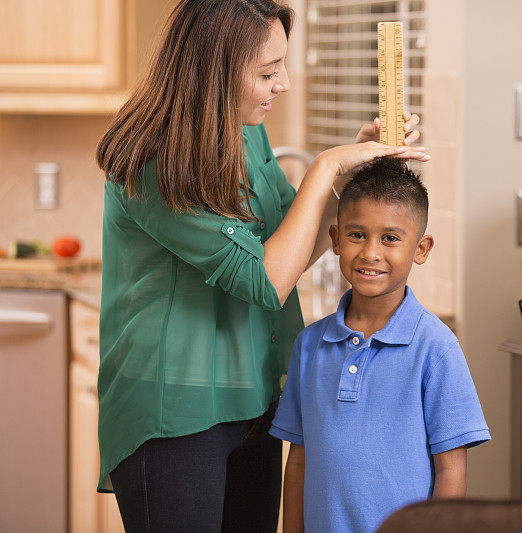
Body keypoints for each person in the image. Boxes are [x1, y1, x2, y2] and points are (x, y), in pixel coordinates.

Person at [94, 1, 429, 531]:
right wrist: (324, 167)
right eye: (268, 72)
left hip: (253, 396)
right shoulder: (154, 154)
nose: (285, 84)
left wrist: (351, 173)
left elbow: (289, 249)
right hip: (175, 409)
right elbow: (265, 280)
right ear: (216, 72)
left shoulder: (245, 128)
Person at [269, 158, 491, 533]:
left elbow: (451, 468)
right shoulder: (309, 345)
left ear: (421, 249)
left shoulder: (436, 347)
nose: (371, 252)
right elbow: (299, 460)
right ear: (335, 239)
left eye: (390, 238)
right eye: (357, 235)